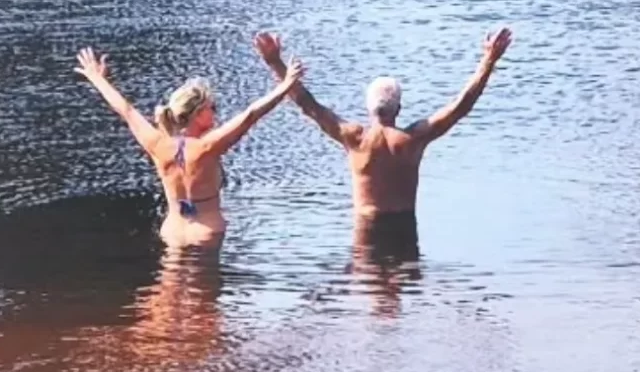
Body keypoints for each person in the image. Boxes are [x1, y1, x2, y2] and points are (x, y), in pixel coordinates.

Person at [254, 27, 512, 224]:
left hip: (367, 228)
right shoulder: (413, 139)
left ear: (368, 107)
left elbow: (308, 104)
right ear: (398, 108)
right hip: (404, 227)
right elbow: (460, 106)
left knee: (371, 289)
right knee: (401, 289)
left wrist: (275, 62)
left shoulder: (354, 139)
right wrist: (488, 61)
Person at [75, 44, 305, 249]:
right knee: (203, 296)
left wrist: (97, 79)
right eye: (211, 107)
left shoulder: (157, 144)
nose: (216, 111)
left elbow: (126, 110)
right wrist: (285, 86)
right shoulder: (208, 146)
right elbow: (250, 115)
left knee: (166, 295)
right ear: (197, 114)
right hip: (206, 233)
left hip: (172, 232)